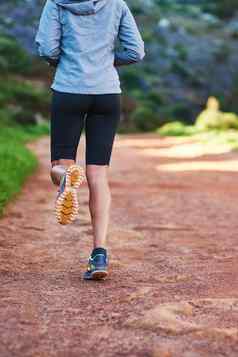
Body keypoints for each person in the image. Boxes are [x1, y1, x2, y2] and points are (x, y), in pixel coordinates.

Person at [35, 0, 145, 280]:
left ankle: (64, 177)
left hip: (69, 90)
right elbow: (136, 51)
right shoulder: (116, 3)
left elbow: (47, 48)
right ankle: (99, 254)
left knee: (60, 164)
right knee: (98, 174)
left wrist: (62, 60)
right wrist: (108, 60)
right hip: (107, 93)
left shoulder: (56, 3)